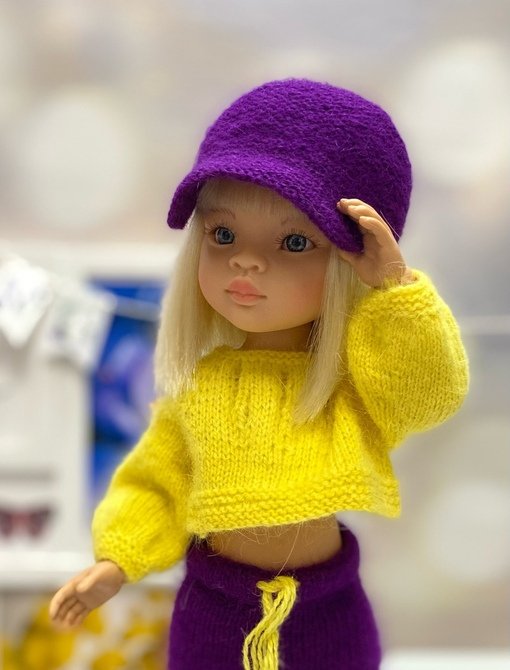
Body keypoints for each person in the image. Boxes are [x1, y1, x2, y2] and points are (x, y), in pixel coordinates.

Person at [50, 79, 469, 669]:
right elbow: (156, 485)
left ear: (349, 259)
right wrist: (117, 561)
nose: (245, 261)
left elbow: (428, 395)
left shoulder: (350, 385)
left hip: (327, 614)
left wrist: (394, 290)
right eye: (222, 235)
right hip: (213, 615)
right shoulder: (200, 391)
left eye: (294, 241)